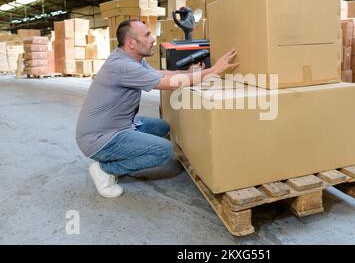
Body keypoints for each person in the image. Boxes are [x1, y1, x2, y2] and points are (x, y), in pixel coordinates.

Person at [75, 19, 238, 198]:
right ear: (131, 43)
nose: (153, 39)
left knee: (163, 127)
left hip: (120, 125)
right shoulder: (123, 66)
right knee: (164, 151)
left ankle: (122, 158)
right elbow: (168, 83)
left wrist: (192, 74)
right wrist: (214, 70)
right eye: (147, 35)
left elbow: (161, 74)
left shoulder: (131, 58)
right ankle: (105, 170)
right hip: (99, 139)